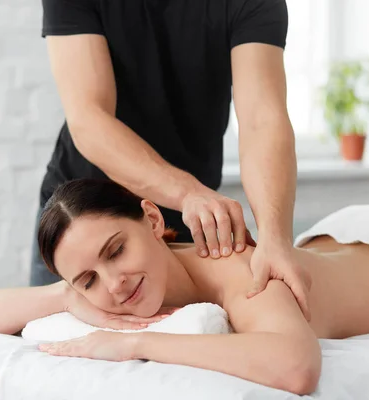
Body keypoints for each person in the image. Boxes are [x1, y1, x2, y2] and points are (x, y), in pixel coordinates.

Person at [0, 179, 369, 395]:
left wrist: (132, 342)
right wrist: (68, 294)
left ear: (152, 219)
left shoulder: (235, 266)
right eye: (88, 279)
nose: (114, 283)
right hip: (333, 240)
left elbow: (297, 367)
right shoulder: (95, 289)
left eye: (115, 251)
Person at [32, 0, 309, 318]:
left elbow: (263, 119)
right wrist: (188, 193)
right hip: (77, 228)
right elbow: (89, 119)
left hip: (187, 219)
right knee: (54, 357)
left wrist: (275, 237)